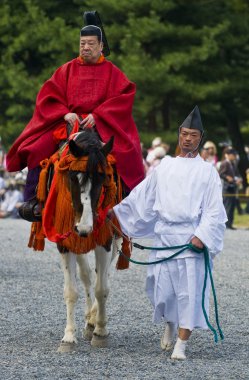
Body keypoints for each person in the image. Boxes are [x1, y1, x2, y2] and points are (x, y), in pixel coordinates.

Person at [110, 106, 227, 360]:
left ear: (200, 137)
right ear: (179, 135)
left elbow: (214, 212)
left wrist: (202, 236)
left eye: (193, 134)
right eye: (185, 133)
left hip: (189, 241)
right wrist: (117, 213)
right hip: (163, 238)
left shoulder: (207, 172)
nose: (188, 138)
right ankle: (170, 324)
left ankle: (181, 345)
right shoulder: (165, 166)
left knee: (188, 292)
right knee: (161, 291)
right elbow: (144, 195)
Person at [6, 11, 145, 221]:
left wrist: (99, 115)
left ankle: (126, 201)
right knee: (34, 148)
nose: (86, 47)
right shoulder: (66, 70)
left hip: (102, 125)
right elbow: (48, 96)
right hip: (68, 124)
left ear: (100, 46)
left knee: (127, 152)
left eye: (90, 43)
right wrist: (64, 113)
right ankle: (34, 200)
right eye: (82, 43)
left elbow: (124, 96)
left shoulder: (112, 72)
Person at [219, 147, 243, 229]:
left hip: (233, 187)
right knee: (227, 207)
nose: (235, 156)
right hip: (227, 189)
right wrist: (227, 178)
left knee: (232, 207)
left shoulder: (233, 163)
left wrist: (239, 179)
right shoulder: (224, 163)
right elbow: (221, 174)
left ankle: (230, 223)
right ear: (228, 155)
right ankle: (226, 224)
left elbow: (237, 174)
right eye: (233, 155)